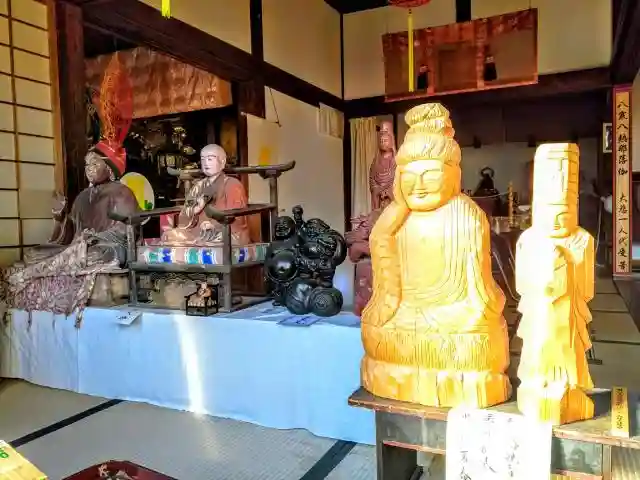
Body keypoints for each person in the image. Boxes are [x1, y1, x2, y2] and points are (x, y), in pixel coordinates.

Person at [360, 103, 511, 408]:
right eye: (409, 177)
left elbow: (477, 290)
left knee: (479, 340)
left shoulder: (466, 215)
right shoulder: (396, 219)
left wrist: (463, 315)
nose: (418, 186)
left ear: (452, 175)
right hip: (407, 314)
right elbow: (386, 282)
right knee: (374, 332)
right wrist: (386, 227)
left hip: (452, 317)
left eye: (429, 175)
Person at [161, 144, 250, 246]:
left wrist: (213, 225)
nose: (206, 163)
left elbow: (237, 217)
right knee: (169, 236)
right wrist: (195, 210)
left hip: (225, 233)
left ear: (222, 161)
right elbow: (183, 218)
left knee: (214, 241)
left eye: (210, 159)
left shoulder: (233, 184)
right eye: (203, 159)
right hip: (199, 233)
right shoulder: (198, 186)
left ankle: (199, 243)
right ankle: (197, 242)